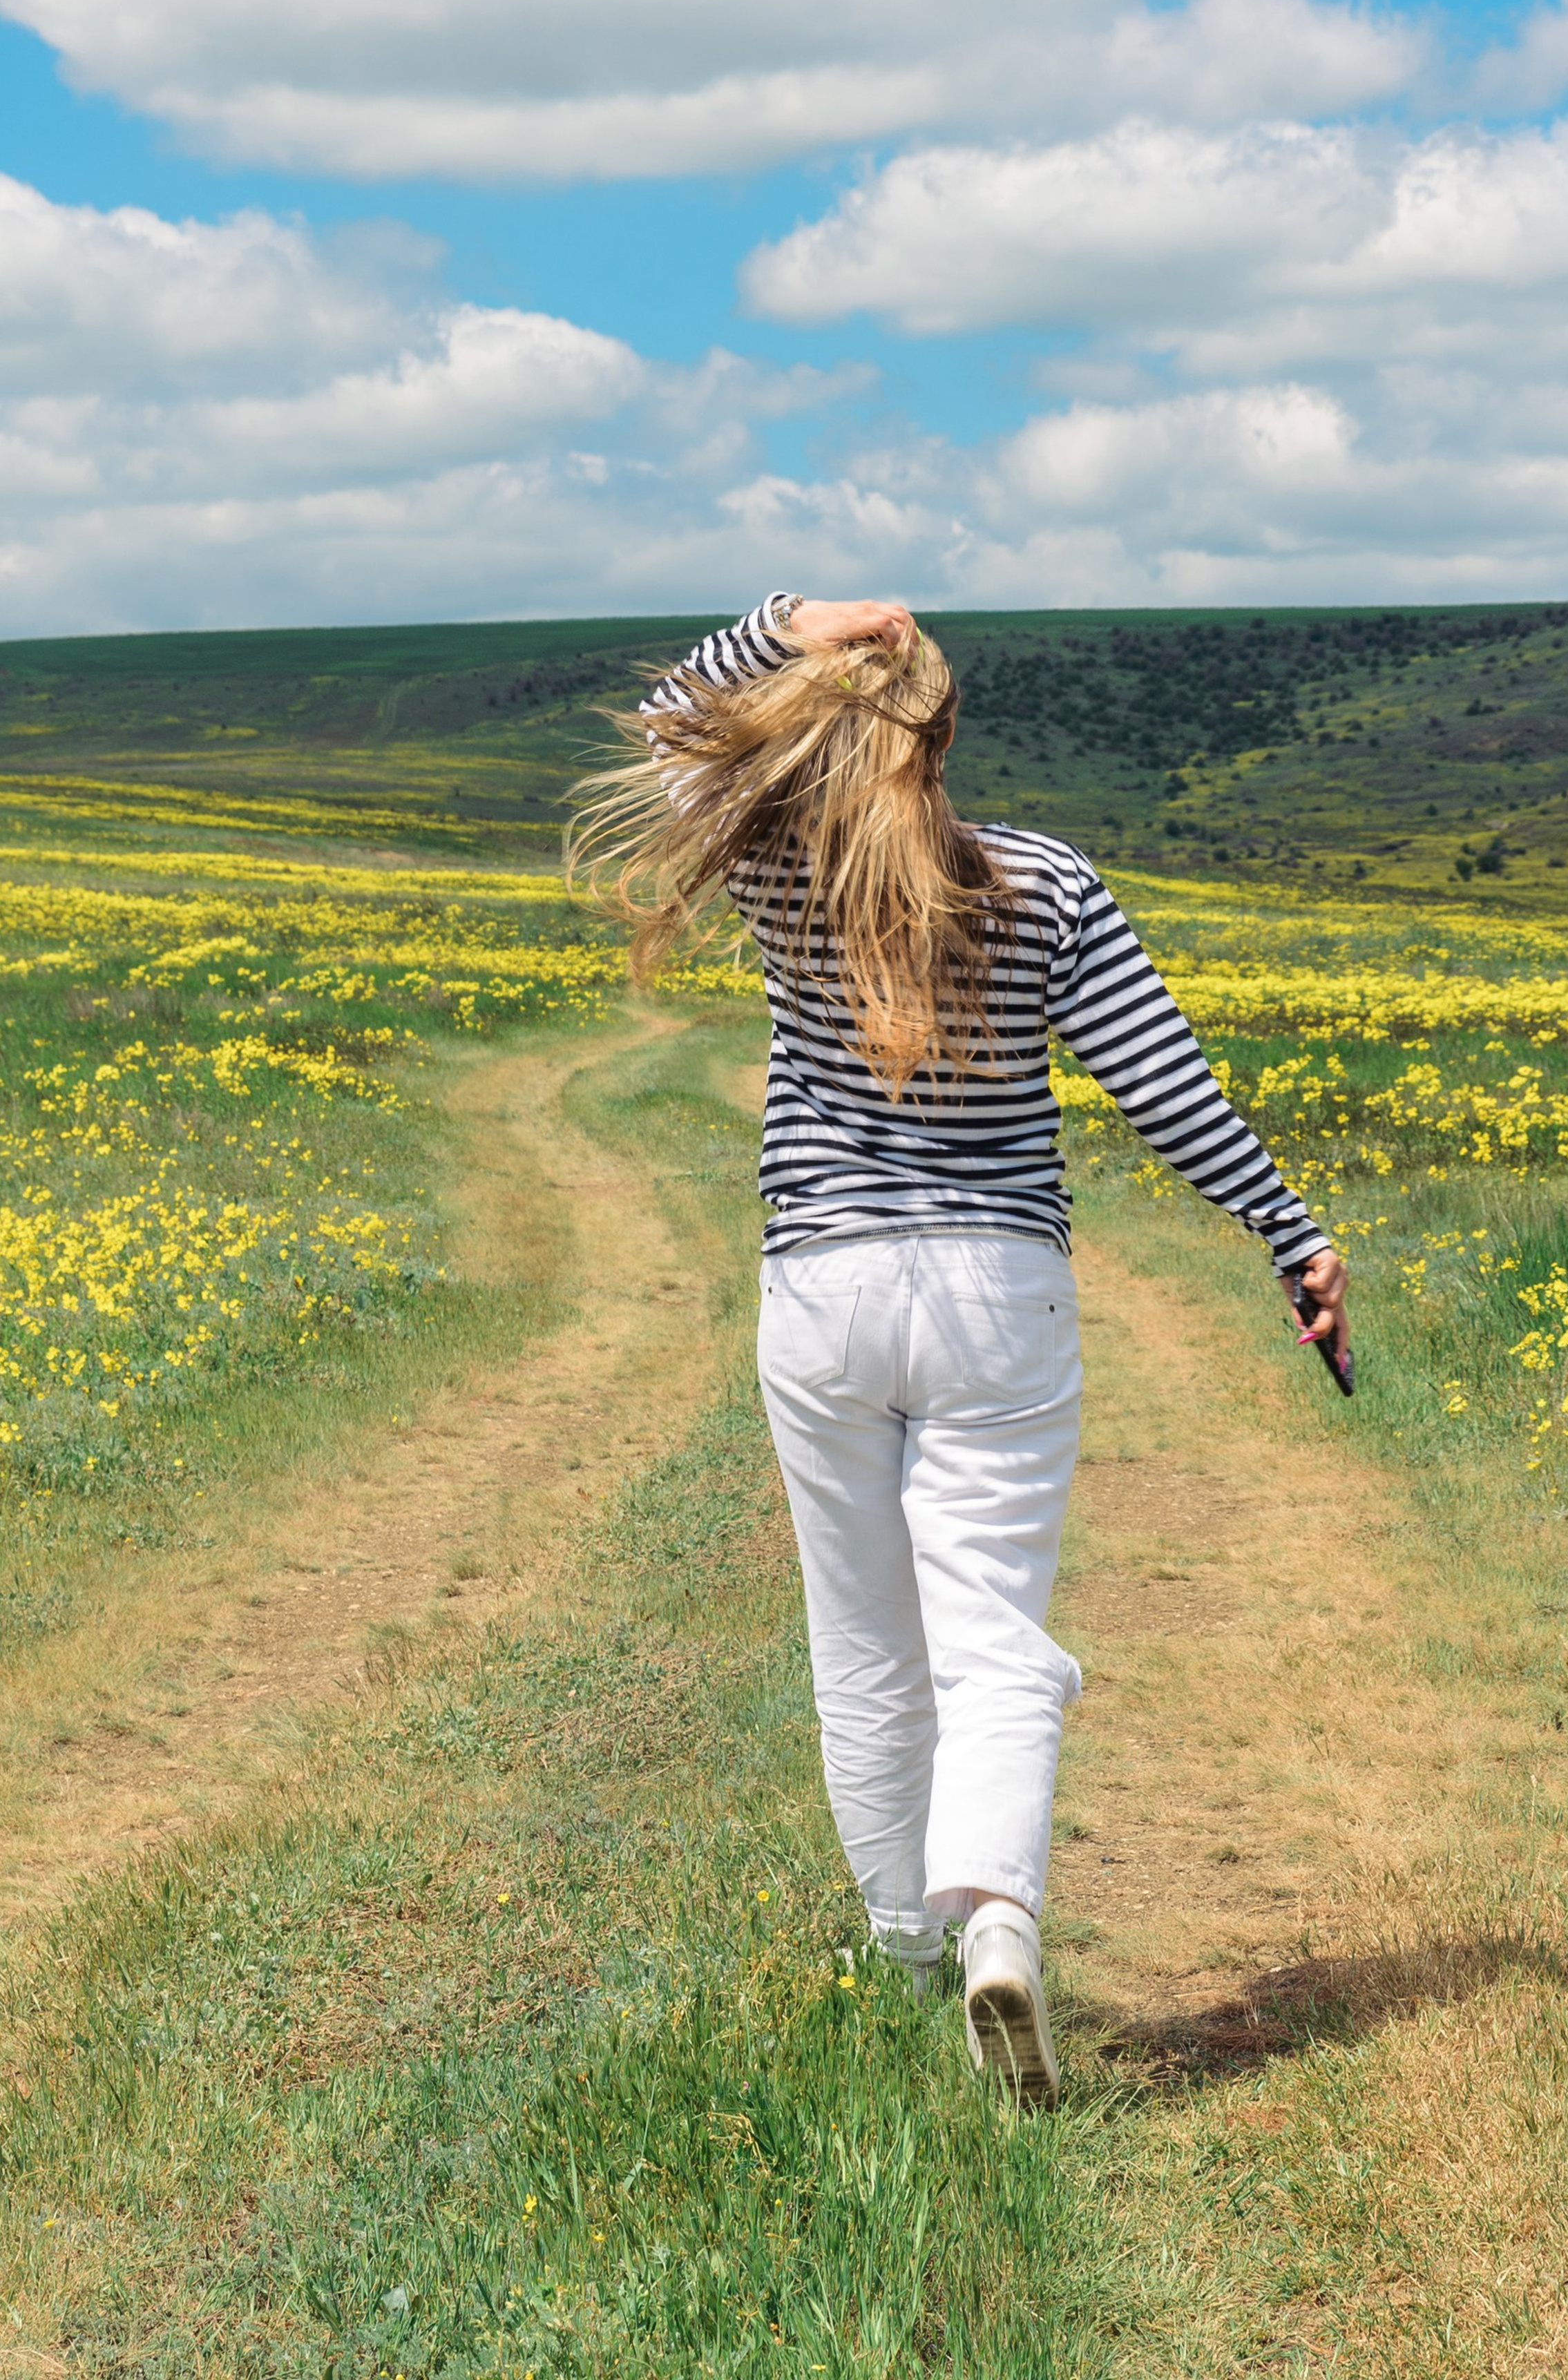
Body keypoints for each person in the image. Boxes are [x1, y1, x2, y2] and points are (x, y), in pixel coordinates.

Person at [568, 592, 1346, 2108]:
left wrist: (784, 619)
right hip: (998, 1291)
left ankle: (900, 1965)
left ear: (819, 723)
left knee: (862, 1650)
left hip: (822, 1287)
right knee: (991, 1634)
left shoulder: (768, 864)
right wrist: (1285, 1232)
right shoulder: (1042, 881)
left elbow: (673, 721)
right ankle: (996, 1918)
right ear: (942, 728)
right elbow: (1162, 1086)